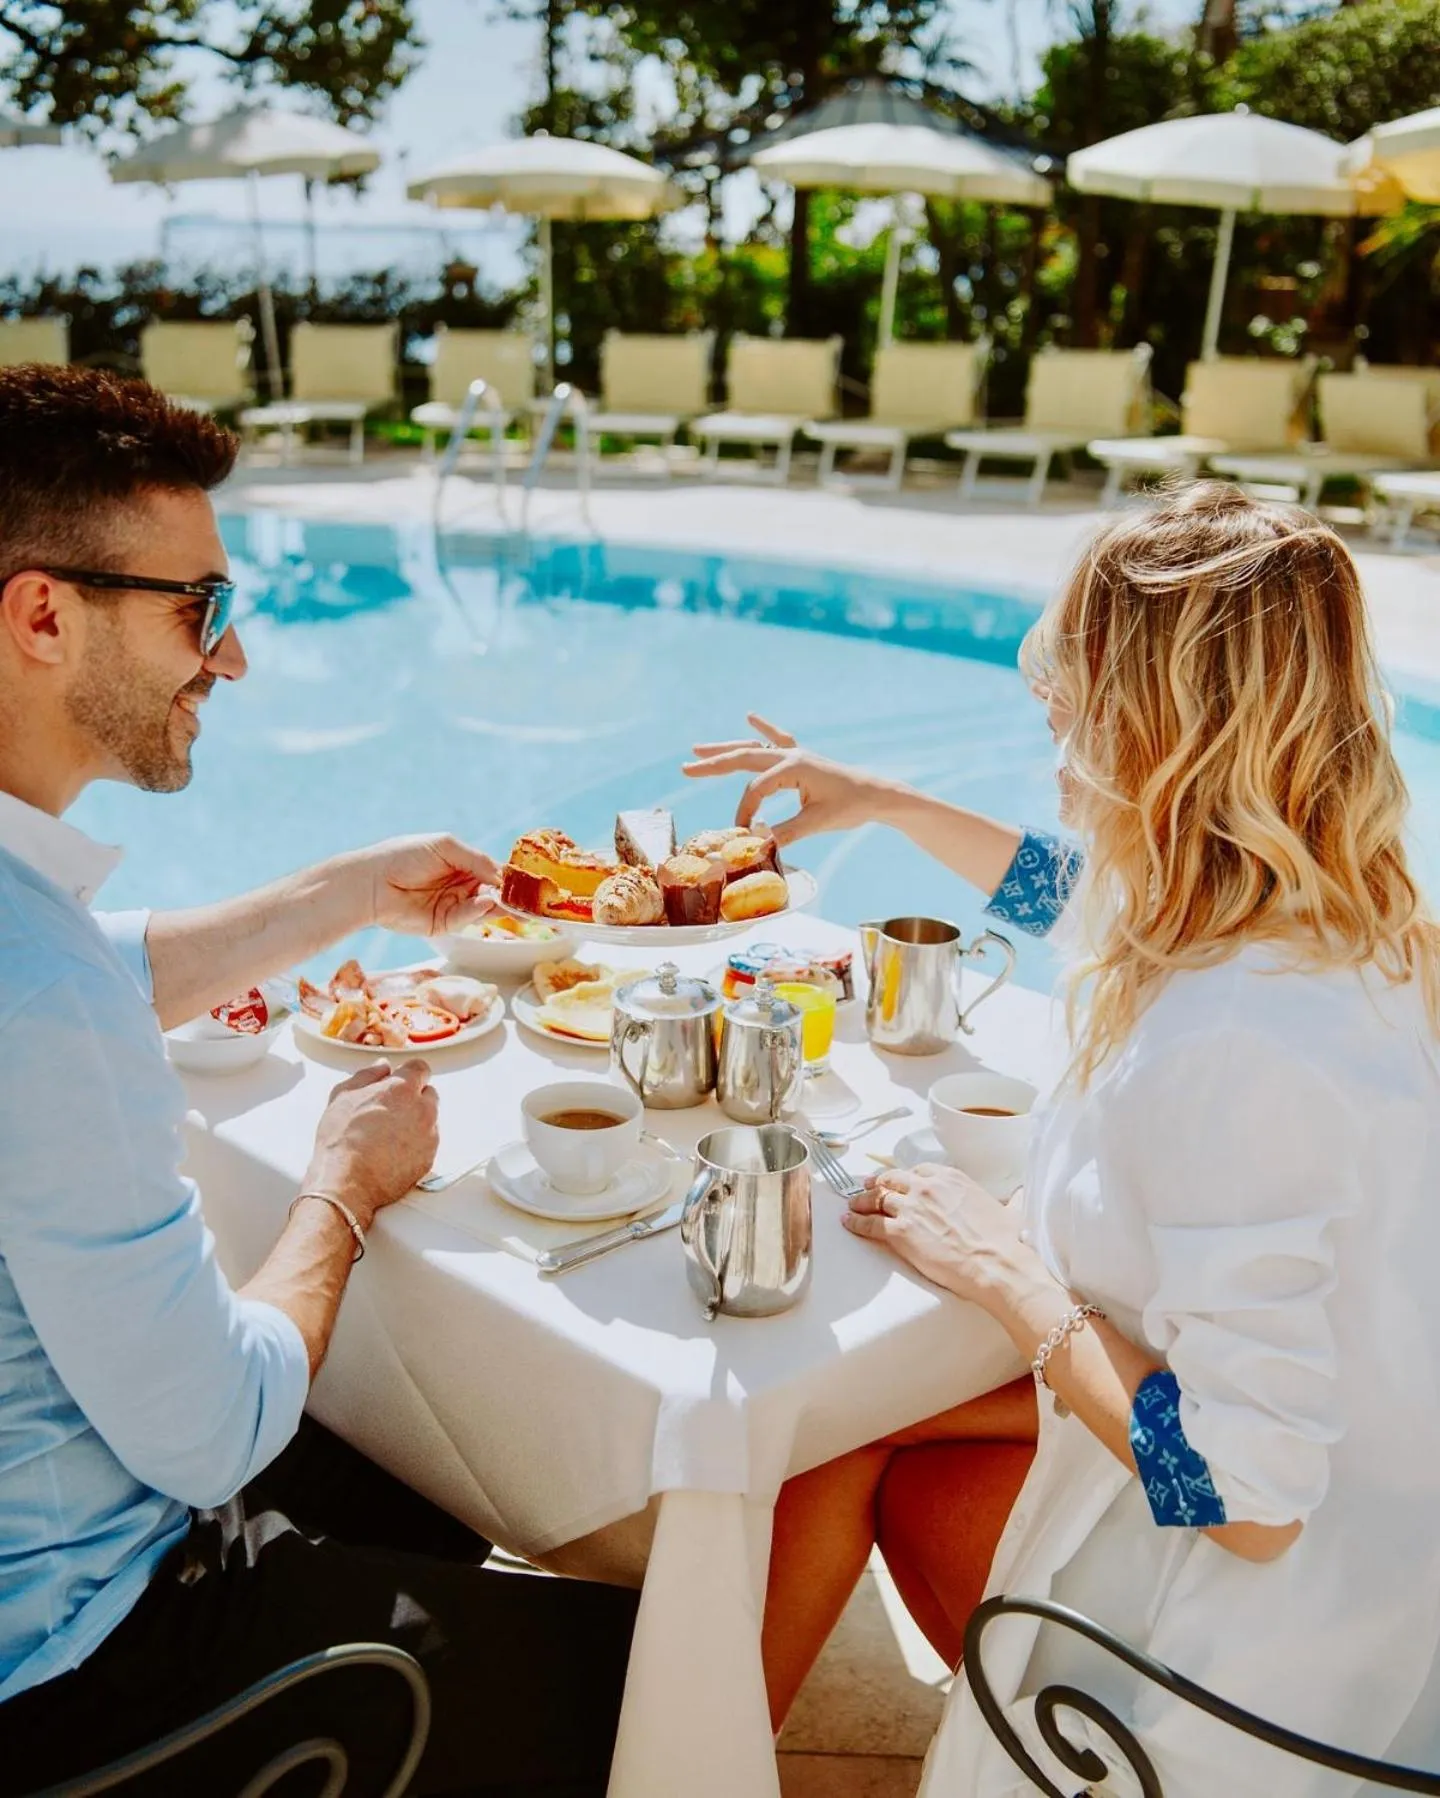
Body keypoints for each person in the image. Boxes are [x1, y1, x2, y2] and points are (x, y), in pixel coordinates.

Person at [686, 485, 1440, 1794]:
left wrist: (1011, 1279)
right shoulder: (1341, 924)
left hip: (1259, 1663)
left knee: (828, 1437)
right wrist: (876, 799)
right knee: (838, 1423)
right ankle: (693, 1761)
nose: (1050, 713)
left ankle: (682, 1765)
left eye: (1077, 693)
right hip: (1383, 1548)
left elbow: (1244, 1498)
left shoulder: (1241, 1047)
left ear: (1163, 729)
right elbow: (1075, 893)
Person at [0, 364, 637, 1798]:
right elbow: (215, 1426)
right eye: (202, 610)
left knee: (421, 1457)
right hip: (73, 1671)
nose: (230, 660)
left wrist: (345, 891)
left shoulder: (32, 948)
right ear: (44, 615)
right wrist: (342, 1186)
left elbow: (96, 961)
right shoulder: (38, 1006)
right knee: (650, 1679)